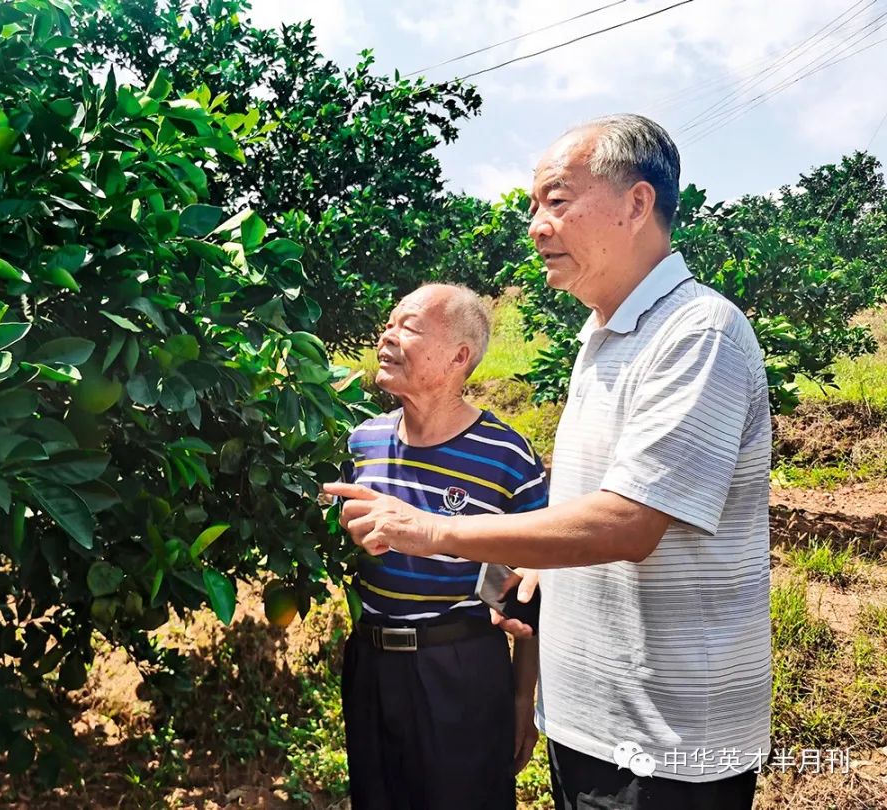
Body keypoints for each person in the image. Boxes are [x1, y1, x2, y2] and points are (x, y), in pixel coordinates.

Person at [326, 114, 771, 810]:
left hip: (663, 751)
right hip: (589, 729)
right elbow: (588, 512)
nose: (535, 225)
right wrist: (534, 561)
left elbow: (628, 521)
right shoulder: (603, 338)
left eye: (557, 201)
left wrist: (431, 531)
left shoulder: (698, 331)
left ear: (637, 203)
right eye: (535, 206)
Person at [337, 283, 549, 810]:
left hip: (459, 668)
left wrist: (523, 697)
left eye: (407, 326)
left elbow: (533, 583)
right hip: (370, 664)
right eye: (388, 323)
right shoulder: (361, 441)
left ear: (460, 356)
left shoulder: (506, 456)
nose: (386, 336)